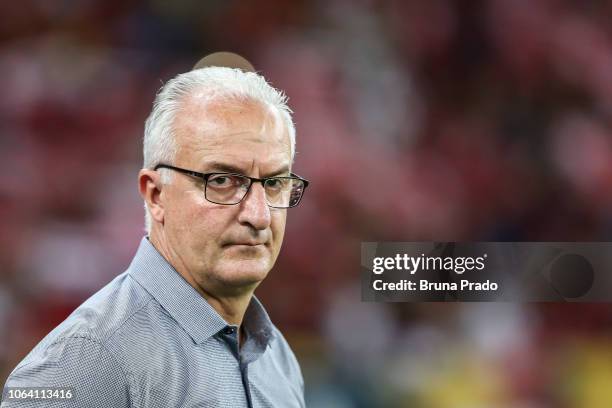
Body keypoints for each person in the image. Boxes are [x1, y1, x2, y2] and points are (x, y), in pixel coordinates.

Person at [1, 58, 309, 407]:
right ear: (155, 194)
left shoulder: (277, 359)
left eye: (274, 183)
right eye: (221, 181)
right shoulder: (86, 359)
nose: (259, 215)